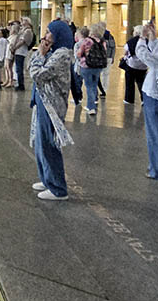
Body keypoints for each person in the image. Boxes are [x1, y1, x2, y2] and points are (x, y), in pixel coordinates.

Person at [28, 18, 73, 201]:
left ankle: (58, 188)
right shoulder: (54, 52)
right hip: (43, 101)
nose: (45, 36)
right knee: (40, 144)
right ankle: (47, 179)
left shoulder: (61, 54)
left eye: (49, 32)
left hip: (51, 105)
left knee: (48, 144)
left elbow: (37, 74)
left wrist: (39, 55)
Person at [136, 21, 158, 179]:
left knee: (157, 135)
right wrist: (153, 38)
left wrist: (142, 38)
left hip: (156, 97)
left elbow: (147, 57)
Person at [76, 24, 106, 115]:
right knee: (94, 85)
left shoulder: (87, 41)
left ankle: (91, 107)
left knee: (88, 86)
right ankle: (92, 103)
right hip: (98, 66)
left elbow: (79, 53)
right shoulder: (102, 41)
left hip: (86, 65)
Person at [122, 25, 147, 105]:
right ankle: (144, 99)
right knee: (141, 83)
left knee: (129, 82)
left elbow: (125, 52)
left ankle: (128, 99)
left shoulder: (130, 42)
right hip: (143, 65)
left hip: (132, 65)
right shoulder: (147, 41)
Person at [14, 16, 34, 91]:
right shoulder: (23, 30)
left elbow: (22, 41)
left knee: (19, 69)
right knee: (17, 68)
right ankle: (19, 83)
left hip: (21, 51)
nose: (22, 22)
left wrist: (15, 47)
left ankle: (21, 85)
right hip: (18, 51)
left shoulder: (28, 31)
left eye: (23, 21)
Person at [97, 22, 116, 98]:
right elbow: (113, 47)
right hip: (109, 57)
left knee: (98, 74)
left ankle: (100, 90)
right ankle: (104, 89)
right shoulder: (111, 36)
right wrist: (112, 57)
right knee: (106, 74)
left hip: (101, 58)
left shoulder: (99, 36)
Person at [3, 22, 19, 87]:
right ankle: (7, 80)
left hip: (10, 52)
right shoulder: (11, 36)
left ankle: (10, 81)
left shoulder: (15, 36)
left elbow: (12, 44)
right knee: (6, 66)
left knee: (9, 67)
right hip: (7, 52)